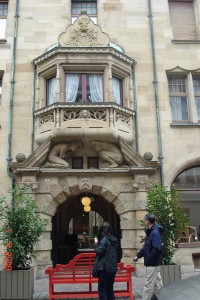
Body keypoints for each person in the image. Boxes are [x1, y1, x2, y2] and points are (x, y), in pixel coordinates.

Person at [133, 213, 163, 300]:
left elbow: (157, 248)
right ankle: (163, 297)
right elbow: (146, 246)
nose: (144, 221)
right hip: (153, 263)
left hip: (152, 263)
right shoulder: (151, 232)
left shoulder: (155, 233)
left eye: (145, 220)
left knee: (148, 284)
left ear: (148, 221)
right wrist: (138, 255)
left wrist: (149, 258)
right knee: (158, 284)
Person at [94, 222, 118, 300]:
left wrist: (96, 243)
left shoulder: (104, 239)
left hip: (104, 268)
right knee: (110, 289)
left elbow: (99, 251)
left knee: (102, 289)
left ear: (101, 230)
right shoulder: (114, 239)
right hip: (112, 268)